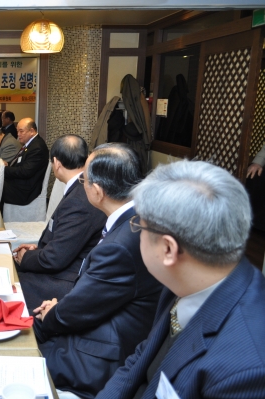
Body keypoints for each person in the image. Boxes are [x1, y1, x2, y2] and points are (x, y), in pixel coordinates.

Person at [96, 160, 265, 399]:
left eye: (139, 226)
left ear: (168, 249)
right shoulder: (188, 279)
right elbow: (142, 358)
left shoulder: (246, 370)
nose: (136, 232)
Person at [33, 143, 162, 399]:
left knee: (20, 346)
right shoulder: (136, 218)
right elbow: (95, 295)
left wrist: (50, 316)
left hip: (104, 354)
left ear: (98, 191)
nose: (82, 183)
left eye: (84, 179)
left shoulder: (121, 245)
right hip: (108, 322)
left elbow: (78, 311)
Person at [14, 135, 106, 313]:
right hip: (65, 263)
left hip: (67, 280)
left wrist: (26, 257)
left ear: (56, 163)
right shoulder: (79, 186)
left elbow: (56, 258)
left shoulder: (80, 197)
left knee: (8, 286)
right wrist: (37, 251)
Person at [1, 118, 49, 208]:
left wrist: (4, 169)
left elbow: (25, 172)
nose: (18, 134)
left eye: (21, 131)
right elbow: (19, 161)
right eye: (17, 131)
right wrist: (7, 164)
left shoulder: (37, 147)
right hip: (20, 182)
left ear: (31, 131)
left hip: (26, 190)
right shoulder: (30, 144)